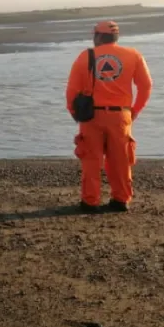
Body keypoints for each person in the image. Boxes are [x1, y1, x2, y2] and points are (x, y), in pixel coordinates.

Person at [65, 20, 153, 213]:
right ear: (115, 37)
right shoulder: (133, 55)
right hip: (121, 116)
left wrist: (75, 114)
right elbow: (146, 86)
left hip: (91, 118)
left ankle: (90, 202)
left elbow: (72, 91)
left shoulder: (85, 56)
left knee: (91, 161)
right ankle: (121, 200)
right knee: (121, 160)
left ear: (98, 36)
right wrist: (134, 111)